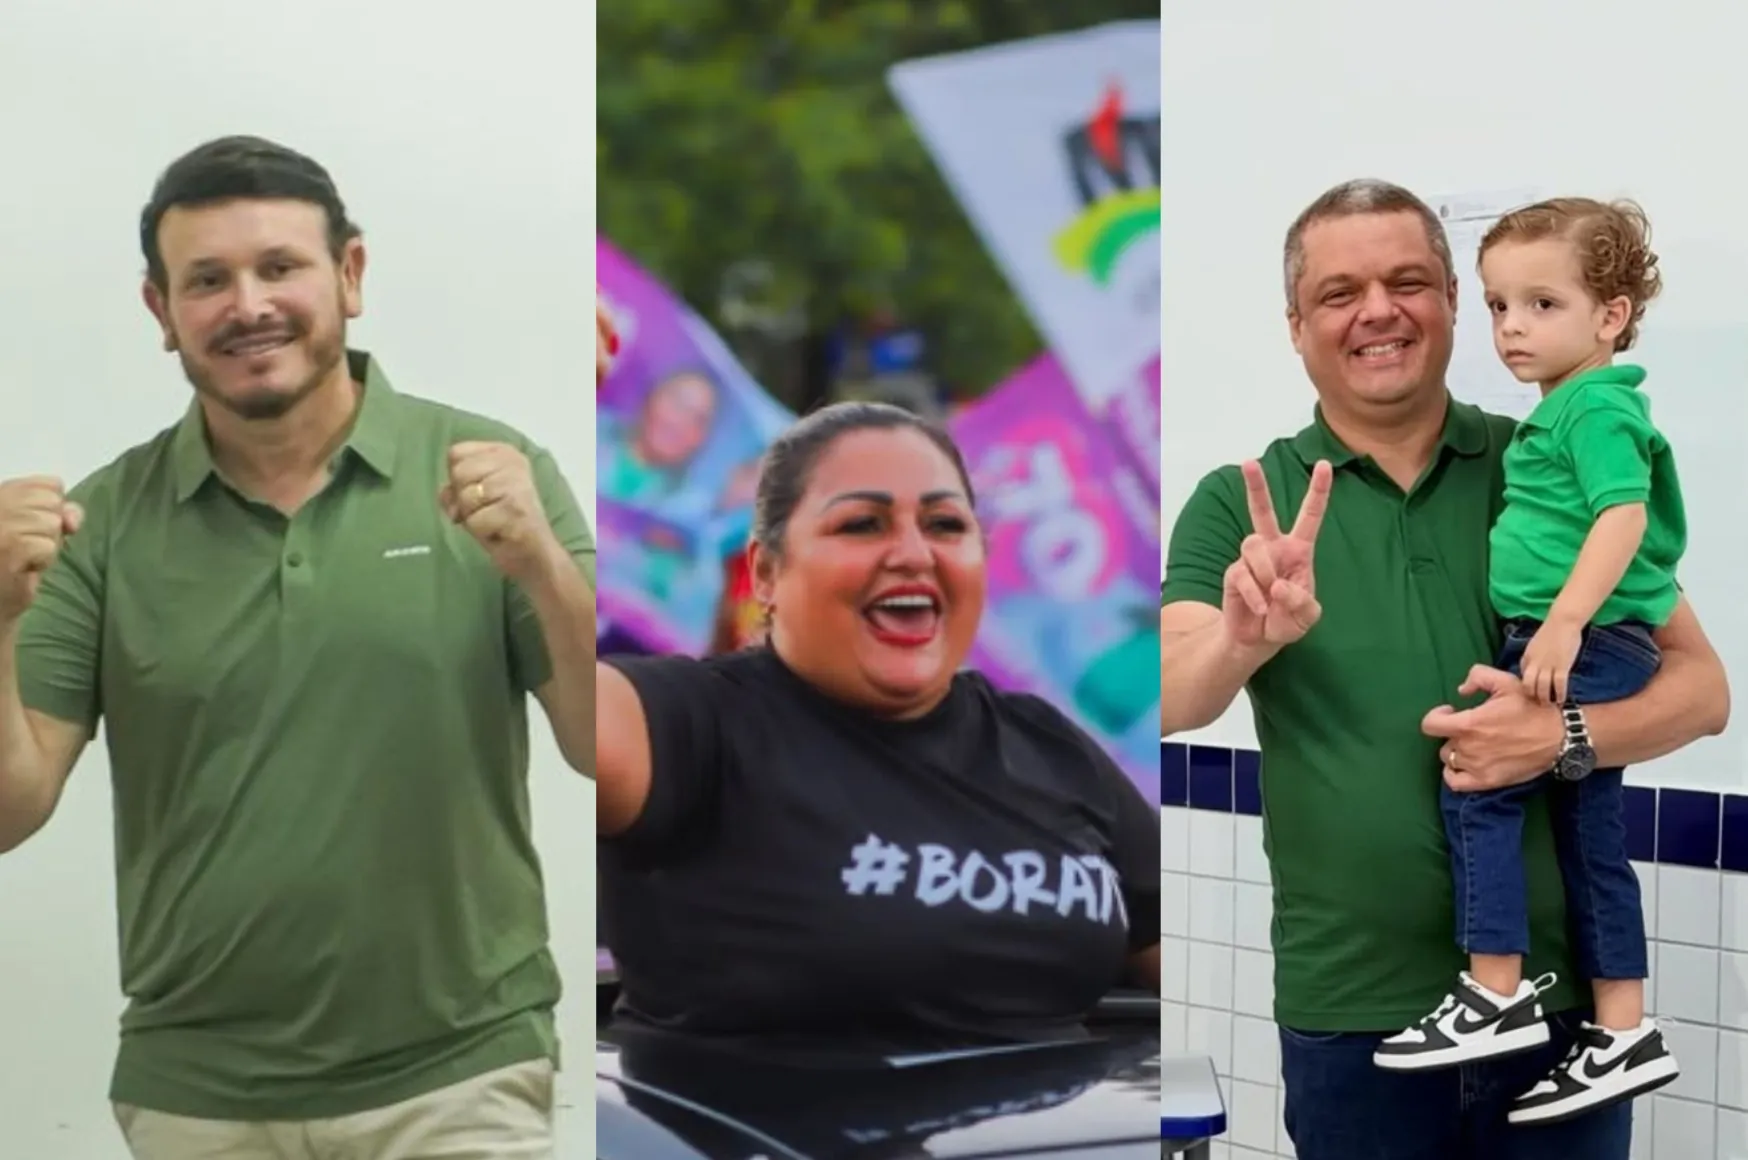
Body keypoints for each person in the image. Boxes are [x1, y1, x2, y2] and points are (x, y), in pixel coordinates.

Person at [0, 136, 596, 1160]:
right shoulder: (96, 523)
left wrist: (544, 568)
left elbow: (602, 742)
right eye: (207, 280)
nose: (248, 304)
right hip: (198, 1090)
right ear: (161, 311)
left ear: (349, 275)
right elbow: (10, 812)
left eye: (279, 267)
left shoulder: (492, 474)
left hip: (459, 1074)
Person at [1158, 178, 1729, 1160]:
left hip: (1555, 1019)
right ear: (1295, 325)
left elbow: (1699, 688)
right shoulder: (1240, 504)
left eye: (1407, 280)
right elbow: (1165, 692)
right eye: (1338, 293)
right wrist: (1244, 636)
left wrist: (1561, 734)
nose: (1376, 309)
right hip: (1350, 1012)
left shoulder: (1543, 463)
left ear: (1452, 306)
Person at [596, 402, 1160, 1057]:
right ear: (768, 572)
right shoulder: (696, 723)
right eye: (863, 524)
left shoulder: (1051, 747)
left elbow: (1195, 976)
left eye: (946, 524)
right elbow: (552, 707)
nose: (914, 553)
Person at [1375, 197, 1684, 1123]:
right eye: (1501, 305)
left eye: (1542, 305)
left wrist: (1560, 626)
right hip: (1578, 640)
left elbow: (1624, 516)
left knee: (1479, 779)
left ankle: (1495, 991)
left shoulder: (1592, 410)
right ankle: (1623, 1030)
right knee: (1592, 837)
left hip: (1582, 638)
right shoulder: (1566, 409)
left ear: (1611, 316)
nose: (1513, 328)